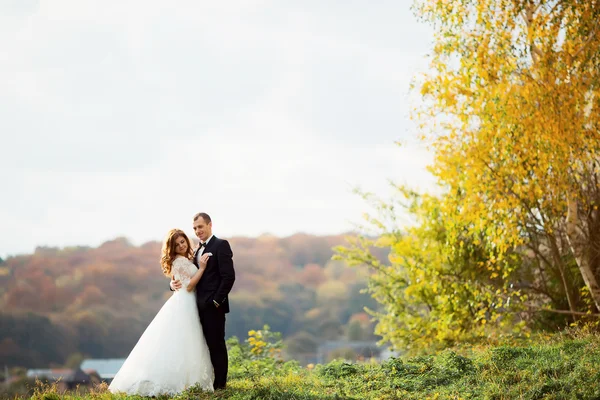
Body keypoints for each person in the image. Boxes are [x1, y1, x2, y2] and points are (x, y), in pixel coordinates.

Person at [109, 229, 214, 396]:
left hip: (189, 302)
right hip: (185, 303)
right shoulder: (178, 262)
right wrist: (201, 268)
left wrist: (175, 282)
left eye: (183, 241)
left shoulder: (187, 258)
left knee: (186, 342)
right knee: (182, 341)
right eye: (177, 244)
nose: (181, 245)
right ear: (171, 248)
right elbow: (188, 286)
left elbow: (180, 280)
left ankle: (189, 381)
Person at [170, 212, 235, 390]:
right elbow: (187, 274)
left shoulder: (221, 245)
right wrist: (172, 284)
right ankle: (208, 381)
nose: (197, 231)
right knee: (203, 346)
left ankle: (220, 385)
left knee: (216, 345)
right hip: (196, 306)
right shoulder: (198, 249)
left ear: (209, 225)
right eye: (195, 228)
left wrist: (216, 301)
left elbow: (228, 277)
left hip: (213, 306)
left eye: (200, 226)